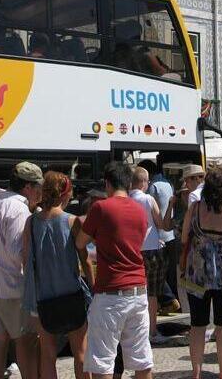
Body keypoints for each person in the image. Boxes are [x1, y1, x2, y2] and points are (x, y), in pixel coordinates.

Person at [76, 161, 153, 379]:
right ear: (128, 183)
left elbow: (81, 242)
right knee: (142, 359)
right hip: (138, 290)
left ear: (107, 184)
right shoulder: (140, 211)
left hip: (110, 293)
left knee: (102, 362)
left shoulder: (101, 208)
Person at [22, 172, 94, 379]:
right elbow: (85, 260)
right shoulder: (72, 221)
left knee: (48, 355)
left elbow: (26, 260)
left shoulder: (31, 222)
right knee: (80, 352)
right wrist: (93, 286)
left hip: (43, 299)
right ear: (66, 193)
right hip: (72, 295)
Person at [180, 167, 222, 379]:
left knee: (197, 325)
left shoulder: (195, 208)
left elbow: (183, 239)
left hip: (197, 275)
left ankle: (196, 372)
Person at [0, 162, 42, 379]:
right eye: (38, 187)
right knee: (25, 341)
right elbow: (18, 252)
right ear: (28, 187)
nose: (40, 193)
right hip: (12, 286)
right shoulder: (18, 209)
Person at [128, 166, 169, 345]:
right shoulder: (148, 199)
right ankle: (152, 331)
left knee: (135, 292)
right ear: (144, 182)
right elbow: (160, 224)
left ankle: (135, 331)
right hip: (152, 249)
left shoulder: (126, 200)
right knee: (152, 294)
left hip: (133, 250)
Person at [139, 160, 181, 316]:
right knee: (167, 273)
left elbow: (150, 212)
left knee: (155, 276)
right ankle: (170, 301)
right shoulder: (167, 183)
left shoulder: (152, 187)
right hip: (170, 235)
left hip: (158, 236)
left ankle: (168, 301)